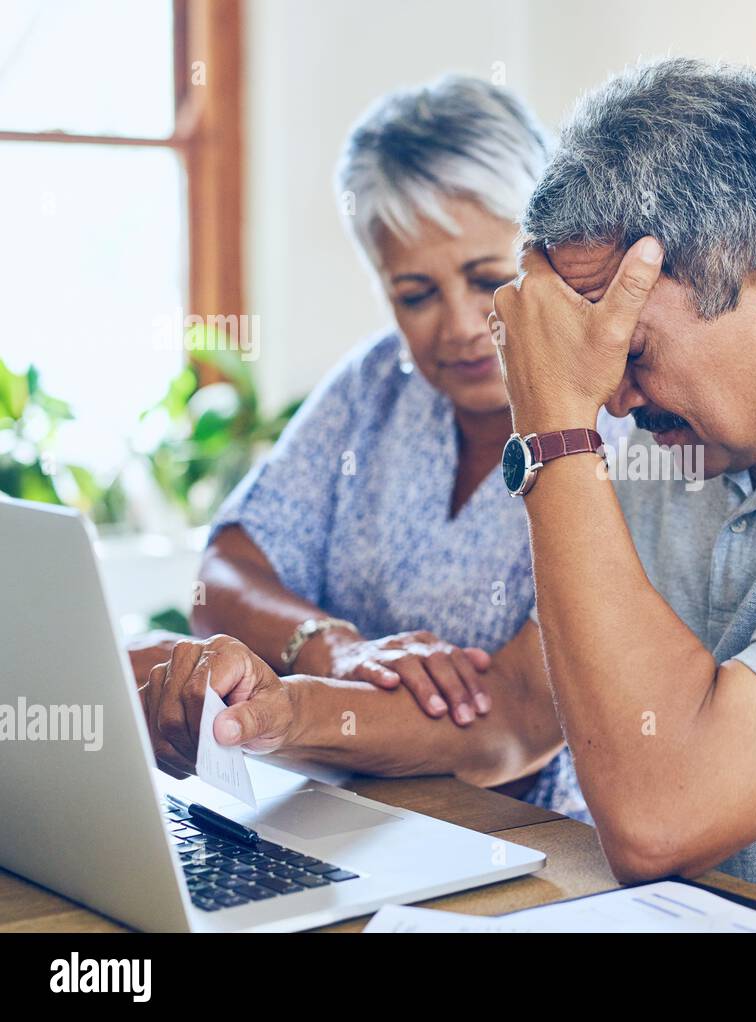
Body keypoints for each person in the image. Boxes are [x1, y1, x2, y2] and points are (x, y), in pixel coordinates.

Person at [140, 59, 756, 931]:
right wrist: (281, 716)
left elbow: (660, 816)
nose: (612, 395)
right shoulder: (699, 435)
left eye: (631, 352)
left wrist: (556, 432)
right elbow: (520, 711)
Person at [136, 75, 624, 819]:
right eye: (415, 294)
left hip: (542, 837)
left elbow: (519, 718)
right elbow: (227, 570)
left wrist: (295, 708)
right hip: (333, 811)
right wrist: (334, 649)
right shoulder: (375, 384)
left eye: (486, 278)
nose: (460, 326)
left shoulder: (620, 421)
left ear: (550, 255)